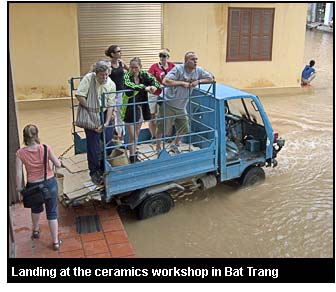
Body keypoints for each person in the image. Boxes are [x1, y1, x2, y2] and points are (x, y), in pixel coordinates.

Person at [156, 51, 214, 153]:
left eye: (196, 59)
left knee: (185, 128)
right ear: (186, 61)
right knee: (162, 128)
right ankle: (158, 147)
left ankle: (175, 144)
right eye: (192, 59)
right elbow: (165, 81)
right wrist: (182, 83)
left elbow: (211, 78)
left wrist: (198, 81)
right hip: (168, 103)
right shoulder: (179, 69)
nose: (195, 61)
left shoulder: (198, 70)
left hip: (181, 106)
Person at [16, 124, 62, 251]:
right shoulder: (46, 148)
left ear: (24, 137)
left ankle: (35, 230)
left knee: (35, 209)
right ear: (37, 135)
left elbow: (19, 174)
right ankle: (56, 242)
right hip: (49, 184)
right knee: (52, 212)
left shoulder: (20, 153)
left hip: (33, 187)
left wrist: (19, 189)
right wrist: (59, 163)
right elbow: (57, 164)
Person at [76, 60, 116, 185]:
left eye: (106, 74)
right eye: (101, 75)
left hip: (104, 113)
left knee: (108, 139)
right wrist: (92, 110)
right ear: (96, 73)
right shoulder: (89, 79)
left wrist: (106, 123)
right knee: (93, 144)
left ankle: (105, 166)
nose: (104, 77)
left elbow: (110, 105)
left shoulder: (111, 84)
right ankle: (94, 171)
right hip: (90, 111)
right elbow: (79, 95)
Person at [123, 57, 161, 163]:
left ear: (140, 67)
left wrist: (153, 87)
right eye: (131, 67)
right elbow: (130, 85)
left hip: (140, 108)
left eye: (136, 67)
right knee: (133, 135)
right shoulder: (127, 76)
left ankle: (133, 155)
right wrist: (145, 87)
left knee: (136, 134)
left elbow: (156, 82)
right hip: (128, 108)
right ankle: (133, 156)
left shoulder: (145, 74)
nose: (133, 70)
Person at [148, 49, 175, 140]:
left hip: (167, 94)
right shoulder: (154, 67)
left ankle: (166, 136)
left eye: (164, 56)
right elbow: (149, 78)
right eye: (160, 55)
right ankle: (154, 136)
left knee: (166, 115)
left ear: (168, 57)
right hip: (155, 94)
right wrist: (157, 85)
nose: (162, 58)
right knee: (152, 115)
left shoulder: (172, 66)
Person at [105, 45, 129, 142]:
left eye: (120, 51)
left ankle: (121, 138)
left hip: (120, 93)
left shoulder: (121, 63)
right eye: (118, 51)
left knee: (120, 115)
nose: (120, 53)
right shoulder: (107, 65)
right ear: (112, 54)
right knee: (110, 115)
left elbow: (131, 71)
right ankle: (110, 138)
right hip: (111, 93)